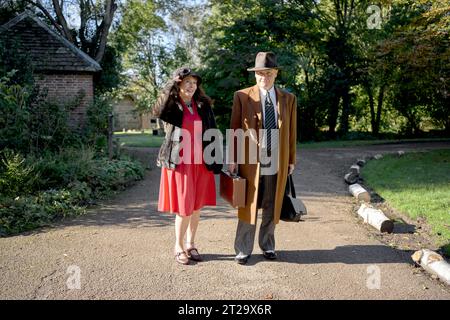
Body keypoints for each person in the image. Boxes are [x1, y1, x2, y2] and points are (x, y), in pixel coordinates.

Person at [228, 52, 297, 265]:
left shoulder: (288, 98)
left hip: (277, 155)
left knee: (272, 202)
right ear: (254, 75)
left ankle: (268, 245)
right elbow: (235, 129)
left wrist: (291, 159)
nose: (263, 77)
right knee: (248, 203)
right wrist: (233, 158)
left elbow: (292, 131)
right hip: (250, 158)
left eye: (268, 73)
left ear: (275, 74)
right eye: (259, 73)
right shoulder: (242, 96)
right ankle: (242, 249)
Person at [153, 67, 222, 265]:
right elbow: (158, 111)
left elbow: (213, 130)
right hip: (181, 162)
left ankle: (191, 244)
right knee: (184, 207)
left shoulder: (203, 105)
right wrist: (171, 83)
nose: (191, 86)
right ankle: (178, 245)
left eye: (194, 82)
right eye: (187, 82)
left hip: (201, 161)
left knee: (197, 206)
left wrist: (216, 157)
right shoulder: (172, 105)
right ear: (179, 85)